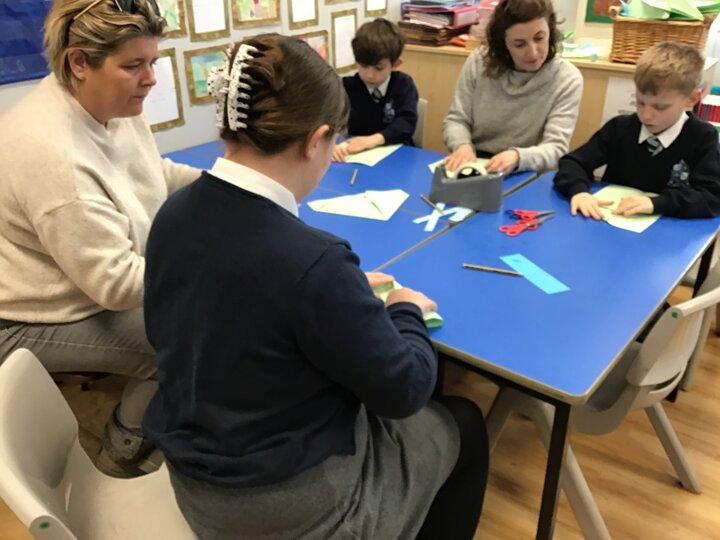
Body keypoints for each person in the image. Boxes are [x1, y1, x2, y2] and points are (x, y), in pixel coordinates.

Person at [142, 35, 489, 540]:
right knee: (464, 422)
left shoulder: (173, 213)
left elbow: (215, 306)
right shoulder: (313, 261)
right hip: (287, 507)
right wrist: (405, 308)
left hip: (195, 480)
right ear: (316, 139)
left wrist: (338, 294)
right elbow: (406, 391)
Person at [0, 0, 200, 477]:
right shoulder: (53, 154)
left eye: (152, 61)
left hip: (84, 281)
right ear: (79, 62)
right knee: (181, 342)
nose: (150, 78)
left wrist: (228, 187)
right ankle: (119, 453)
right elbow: (116, 284)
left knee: (194, 312)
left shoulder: (112, 103)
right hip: (27, 314)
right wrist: (210, 265)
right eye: (134, 65)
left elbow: (152, 173)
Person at [554, 41, 720, 219]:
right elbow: (573, 163)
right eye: (640, 102)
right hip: (611, 222)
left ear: (691, 99)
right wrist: (579, 191)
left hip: (669, 229)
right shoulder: (619, 128)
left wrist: (656, 203)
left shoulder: (703, 137)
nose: (646, 116)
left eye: (660, 107)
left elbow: (712, 197)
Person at [443, 0, 583, 174]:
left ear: (551, 31)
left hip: (527, 170)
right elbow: (457, 120)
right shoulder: (478, 62)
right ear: (503, 44)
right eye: (519, 44)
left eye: (539, 38)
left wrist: (518, 157)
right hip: (477, 163)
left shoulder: (567, 78)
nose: (533, 52)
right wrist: (462, 146)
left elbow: (556, 149)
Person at [332, 18, 419, 162]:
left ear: (396, 64)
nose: (370, 75)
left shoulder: (403, 85)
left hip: (398, 155)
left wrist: (373, 140)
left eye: (378, 68)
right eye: (363, 66)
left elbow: (406, 124)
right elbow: (328, 119)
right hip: (355, 156)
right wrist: (330, 144)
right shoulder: (347, 87)